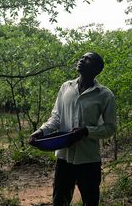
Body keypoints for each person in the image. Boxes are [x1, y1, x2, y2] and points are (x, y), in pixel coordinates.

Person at [28, 52, 116, 206]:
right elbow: (56, 117)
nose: (82, 59)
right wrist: (41, 131)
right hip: (64, 158)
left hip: (89, 159)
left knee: (91, 201)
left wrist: (86, 131)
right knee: (59, 200)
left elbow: (110, 128)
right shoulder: (66, 87)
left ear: (96, 69)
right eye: (82, 57)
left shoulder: (105, 95)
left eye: (88, 59)